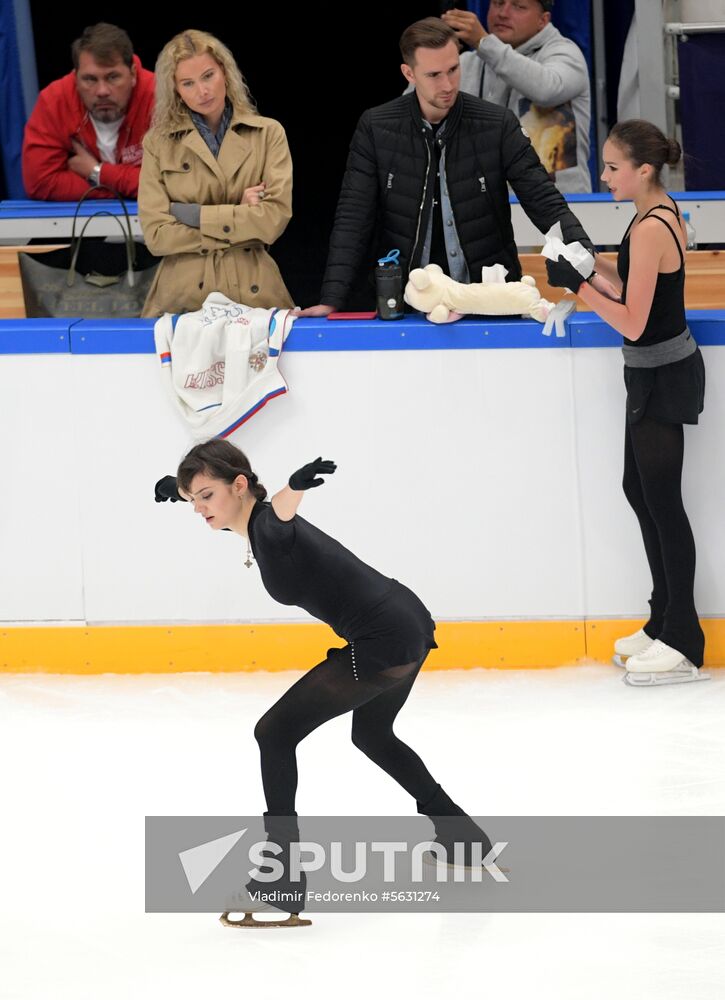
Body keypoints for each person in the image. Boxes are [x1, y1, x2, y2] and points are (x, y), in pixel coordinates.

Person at [155, 440, 493, 925]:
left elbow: (282, 515)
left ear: (240, 485)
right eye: (193, 501)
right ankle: (462, 837)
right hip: (405, 622)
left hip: (383, 638)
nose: (199, 509)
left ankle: (281, 879)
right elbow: (260, 514)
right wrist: (186, 488)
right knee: (372, 734)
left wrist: (295, 485)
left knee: (274, 733)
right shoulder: (255, 522)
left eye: (206, 496)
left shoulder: (271, 526)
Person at [545, 120, 706, 686]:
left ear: (643, 170)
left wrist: (579, 287)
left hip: (662, 373)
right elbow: (637, 282)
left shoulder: (654, 226)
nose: (604, 175)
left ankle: (683, 639)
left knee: (662, 502)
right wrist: (592, 265)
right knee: (638, 490)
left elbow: (634, 322)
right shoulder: (651, 213)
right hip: (653, 373)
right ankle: (663, 619)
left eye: (613, 167)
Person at [298, 17, 591, 317]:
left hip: (490, 300)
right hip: (406, 302)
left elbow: (544, 201)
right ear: (409, 73)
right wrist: (331, 299)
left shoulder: (497, 124)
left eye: (453, 70)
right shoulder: (376, 127)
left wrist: (588, 268)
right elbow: (353, 216)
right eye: (434, 74)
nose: (448, 84)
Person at [138, 29, 294, 318]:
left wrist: (193, 215)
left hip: (253, 291)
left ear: (225, 72)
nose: (202, 91)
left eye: (208, 76)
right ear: (175, 90)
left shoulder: (268, 133)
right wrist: (238, 213)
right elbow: (157, 236)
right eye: (188, 83)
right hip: (181, 298)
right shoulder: (158, 143)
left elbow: (272, 221)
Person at [441, 1, 591, 193]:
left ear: (543, 20)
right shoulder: (464, 63)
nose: (503, 13)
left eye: (519, 6)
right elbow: (411, 110)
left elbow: (547, 89)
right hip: (483, 209)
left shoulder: (565, 55)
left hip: (558, 208)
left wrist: (485, 44)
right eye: (498, 3)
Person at [22, 23, 154, 200]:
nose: (102, 91)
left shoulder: (159, 97)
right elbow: (39, 182)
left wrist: (97, 172)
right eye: (90, 79)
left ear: (133, 74)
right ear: (75, 77)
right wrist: (123, 189)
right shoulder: (54, 100)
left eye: (113, 77)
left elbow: (175, 184)